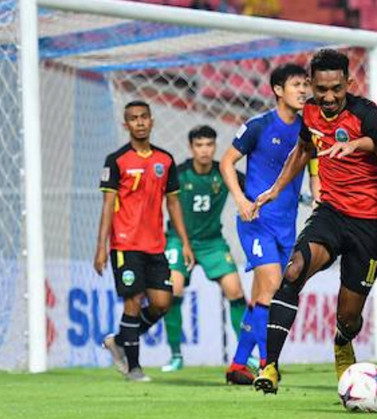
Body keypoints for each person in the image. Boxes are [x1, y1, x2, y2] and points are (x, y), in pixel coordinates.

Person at [251, 49, 377, 394]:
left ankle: (342, 342)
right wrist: (275, 188)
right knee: (294, 269)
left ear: (348, 83)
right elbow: (302, 150)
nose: (328, 97)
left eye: (336, 89)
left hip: (370, 223)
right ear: (312, 84)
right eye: (321, 89)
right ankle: (269, 366)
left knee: (349, 316)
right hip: (330, 213)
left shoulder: (367, 116)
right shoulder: (310, 112)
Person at [219, 63, 317, 385]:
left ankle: (236, 366)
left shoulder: (308, 129)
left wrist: (319, 199)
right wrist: (241, 200)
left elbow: (315, 170)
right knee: (273, 284)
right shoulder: (258, 126)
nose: (303, 90)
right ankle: (267, 363)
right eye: (296, 85)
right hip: (257, 222)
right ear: (278, 90)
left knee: (263, 296)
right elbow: (226, 161)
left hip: (287, 226)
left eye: (305, 84)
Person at [95, 100, 195, 382]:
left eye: (143, 117)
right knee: (133, 301)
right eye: (133, 119)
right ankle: (134, 368)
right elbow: (107, 206)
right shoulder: (116, 160)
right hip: (125, 245)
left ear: (152, 121)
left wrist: (185, 243)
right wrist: (101, 248)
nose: (139, 122)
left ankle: (119, 340)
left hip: (156, 245)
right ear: (125, 125)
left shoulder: (165, 160)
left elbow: (173, 203)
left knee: (163, 302)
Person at [159, 125, 248, 374]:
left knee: (235, 289)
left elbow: (256, 188)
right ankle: (176, 354)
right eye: (199, 145)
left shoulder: (224, 173)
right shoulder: (179, 174)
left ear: (215, 146)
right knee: (172, 289)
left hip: (212, 241)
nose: (204, 150)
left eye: (209, 145)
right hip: (179, 239)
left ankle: (245, 354)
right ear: (191, 148)